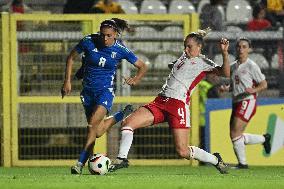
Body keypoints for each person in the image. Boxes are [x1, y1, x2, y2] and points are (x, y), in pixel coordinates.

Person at [109, 28, 231, 174]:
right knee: (127, 123)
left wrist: (224, 53)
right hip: (160, 101)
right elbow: (181, 65)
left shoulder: (203, 62)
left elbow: (225, 73)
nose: (185, 49)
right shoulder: (184, 56)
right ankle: (122, 159)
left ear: (199, 47)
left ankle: (215, 160)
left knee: (183, 151)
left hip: (178, 105)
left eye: (189, 46)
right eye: (185, 46)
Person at [61, 18, 147, 174]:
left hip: (105, 92)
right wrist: (67, 82)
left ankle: (79, 164)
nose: (104, 39)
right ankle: (122, 114)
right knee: (98, 131)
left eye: (108, 35)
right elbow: (70, 57)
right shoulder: (88, 41)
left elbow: (142, 66)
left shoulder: (121, 49)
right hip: (87, 92)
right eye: (102, 35)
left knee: (92, 125)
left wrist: (135, 79)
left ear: (115, 34)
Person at [222, 37, 271, 169]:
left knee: (235, 132)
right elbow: (235, 85)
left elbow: (264, 84)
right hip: (236, 101)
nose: (241, 49)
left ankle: (243, 164)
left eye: (244, 47)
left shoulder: (252, 65)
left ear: (249, 49)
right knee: (235, 134)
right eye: (239, 47)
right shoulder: (234, 66)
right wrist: (227, 88)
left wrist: (254, 89)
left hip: (248, 100)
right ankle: (264, 139)